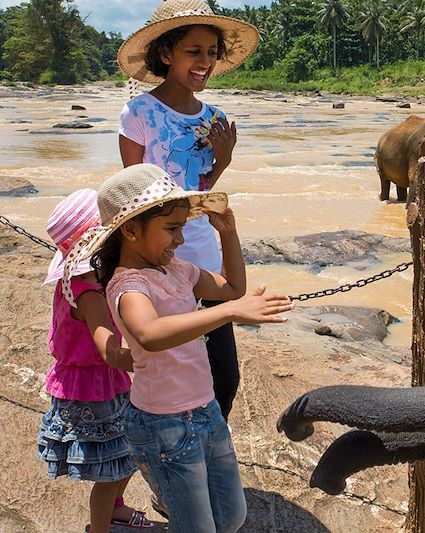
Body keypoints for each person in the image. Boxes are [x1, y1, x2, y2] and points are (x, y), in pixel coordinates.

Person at [61, 164, 294, 533]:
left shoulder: (178, 270)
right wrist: (232, 312)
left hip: (206, 412)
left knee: (231, 517)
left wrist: (229, 236)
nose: (180, 239)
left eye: (183, 227)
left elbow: (231, 287)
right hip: (162, 426)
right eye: (172, 228)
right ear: (131, 230)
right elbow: (151, 334)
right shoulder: (128, 284)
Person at [116, 0, 259, 421]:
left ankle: (209, 449)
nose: (205, 62)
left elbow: (196, 192)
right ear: (166, 54)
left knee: (223, 377)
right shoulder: (139, 112)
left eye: (212, 53)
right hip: (158, 256)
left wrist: (223, 162)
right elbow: (137, 195)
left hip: (202, 250)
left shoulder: (213, 117)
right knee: (168, 369)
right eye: (194, 51)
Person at [37, 189, 152, 533]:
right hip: (91, 389)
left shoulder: (87, 280)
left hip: (107, 381)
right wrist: (154, 358)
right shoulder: (88, 294)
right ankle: (100, 528)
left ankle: (115, 509)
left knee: (127, 454)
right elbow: (111, 352)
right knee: (111, 470)